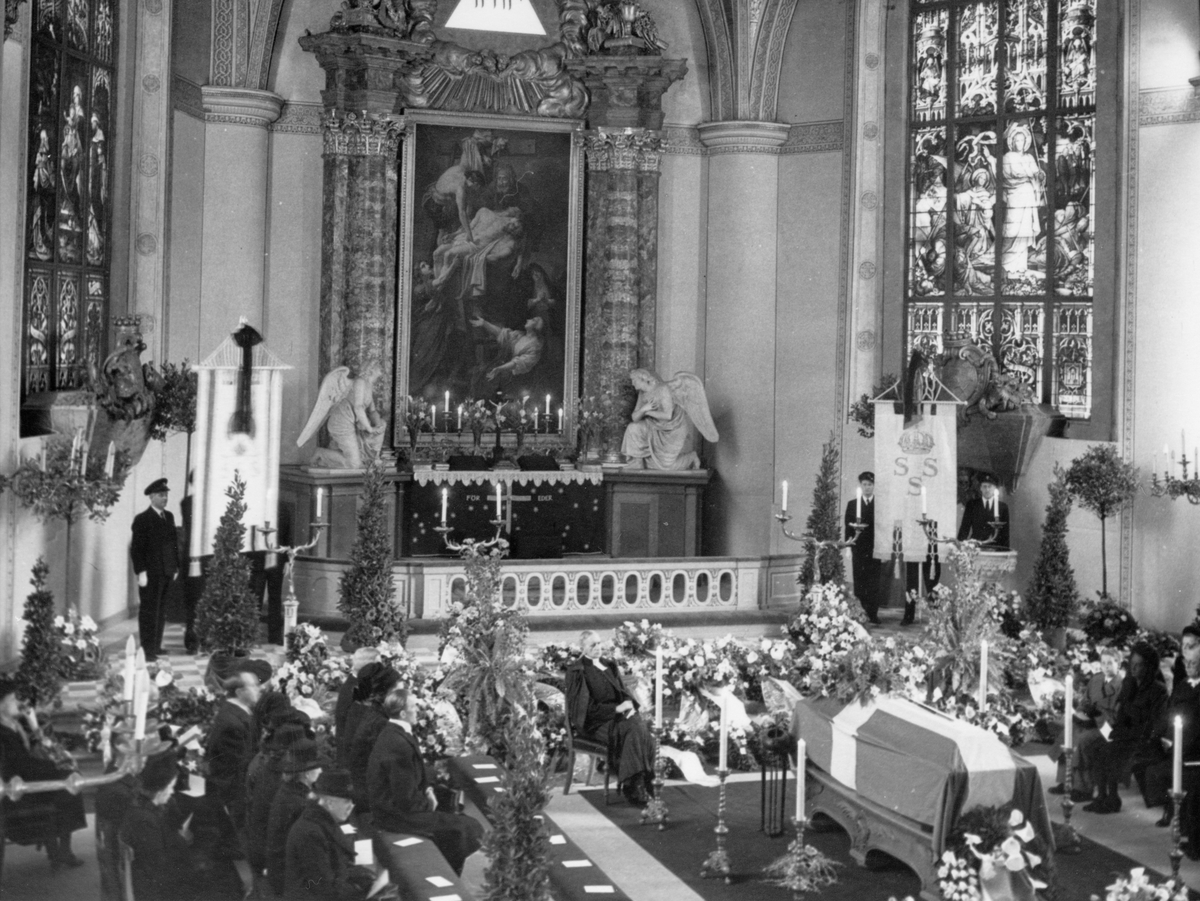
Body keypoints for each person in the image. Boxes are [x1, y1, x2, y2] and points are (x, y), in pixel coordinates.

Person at [366, 688, 484, 875]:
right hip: (396, 816)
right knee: (467, 829)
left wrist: (427, 789)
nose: (418, 710)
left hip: (399, 809)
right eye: (413, 707)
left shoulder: (394, 733)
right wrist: (428, 803)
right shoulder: (398, 743)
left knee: (466, 825)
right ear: (403, 713)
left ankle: (448, 870)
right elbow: (405, 799)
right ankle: (446, 873)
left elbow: (413, 776)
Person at [119, 751, 236, 901]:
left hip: (167, 875)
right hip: (162, 890)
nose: (172, 791)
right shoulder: (144, 820)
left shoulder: (147, 808)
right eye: (170, 787)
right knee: (223, 880)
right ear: (159, 789)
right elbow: (160, 871)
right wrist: (196, 867)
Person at [0, 678, 87, 869]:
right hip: (17, 787)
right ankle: (61, 852)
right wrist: (55, 768)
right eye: (13, 699)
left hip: (28, 776)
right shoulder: (3, 732)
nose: (18, 702)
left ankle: (57, 852)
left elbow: (39, 746)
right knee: (69, 784)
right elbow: (21, 765)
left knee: (68, 776)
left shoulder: (13, 724)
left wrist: (32, 723)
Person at [564, 631, 656, 805]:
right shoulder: (577, 671)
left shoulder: (609, 665)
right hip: (595, 723)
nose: (598, 648)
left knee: (639, 726)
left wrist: (628, 705)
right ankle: (635, 784)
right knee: (635, 729)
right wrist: (616, 708)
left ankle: (639, 782)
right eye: (592, 645)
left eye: (599, 643)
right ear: (583, 648)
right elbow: (584, 709)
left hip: (619, 719)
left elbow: (623, 692)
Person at [1085, 642, 1167, 814]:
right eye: (1132, 665)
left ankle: (1113, 798)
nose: (1135, 669)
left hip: (1143, 738)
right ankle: (1101, 795)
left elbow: (1154, 723)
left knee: (1110, 750)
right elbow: (1121, 712)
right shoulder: (1129, 683)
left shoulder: (1157, 690)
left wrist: (1125, 733)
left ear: (1149, 666)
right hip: (1125, 732)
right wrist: (1117, 729)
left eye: (1139, 665)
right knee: (1095, 747)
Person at [1144, 626, 1200, 846]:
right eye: (1183, 648)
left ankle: (1190, 835)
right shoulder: (1185, 685)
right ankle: (1175, 815)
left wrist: (1177, 744)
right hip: (1177, 746)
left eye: (1191, 647)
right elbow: (1169, 713)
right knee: (1150, 764)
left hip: (1194, 752)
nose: (1185, 653)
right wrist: (1161, 737)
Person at [284, 768, 376, 900]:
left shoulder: (322, 819)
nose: (351, 806)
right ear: (330, 803)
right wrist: (363, 893)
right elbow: (323, 887)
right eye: (347, 802)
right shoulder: (311, 833)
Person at [1049, 645, 1122, 800]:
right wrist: (1080, 712)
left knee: (1083, 740)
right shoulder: (1096, 679)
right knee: (1068, 732)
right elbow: (1085, 700)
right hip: (1089, 719)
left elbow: (1117, 714)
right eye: (1103, 663)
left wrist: (1096, 718)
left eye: (1110, 663)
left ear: (1119, 664)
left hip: (1107, 726)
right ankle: (1065, 781)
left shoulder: (1121, 686)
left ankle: (1083, 788)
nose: (1106, 666)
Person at [266, 739, 326, 896]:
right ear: (306, 774)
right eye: (317, 768)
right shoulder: (299, 803)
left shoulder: (290, 790)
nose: (320, 771)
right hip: (289, 878)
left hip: (280, 868)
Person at [130, 477, 181, 661]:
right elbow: (137, 549)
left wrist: (175, 566)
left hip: (166, 571)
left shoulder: (169, 517)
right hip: (150, 574)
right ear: (151, 497)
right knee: (149, 612)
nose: (165, 498)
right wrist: (141, 572)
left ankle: (156, 646)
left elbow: (174, 544)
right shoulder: (142, 519)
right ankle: (147, 650)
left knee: (161, 610)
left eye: (166, 495)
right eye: (161, 495)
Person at [345, 663, 400, 809]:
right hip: (371, 795)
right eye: (399, 691)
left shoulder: (376, 712)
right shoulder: (379, 722)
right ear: (388, 692)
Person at [844, 471, 881, 625]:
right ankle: (860, 614)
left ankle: (873, 614)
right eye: (864, 485)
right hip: (858, 548)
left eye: (870, 485)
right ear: (861, 485)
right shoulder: (853, 504)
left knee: (874, 582)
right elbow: (848, 527)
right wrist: (848, 547)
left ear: (874, 486)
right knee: (859, 581)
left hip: (875, 548)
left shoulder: (879, 504)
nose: (867, 488)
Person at [957, 473, 1010, 549]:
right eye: (984, 486)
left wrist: (1005, 552)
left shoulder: (1003, 507)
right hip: (975, 547)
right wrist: (959, 547)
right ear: (980, 488)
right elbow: (964, 528)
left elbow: (1005, 533)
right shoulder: (972, 504)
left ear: (995, 488)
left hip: (995, 548)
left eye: (990, 486)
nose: (987, 489)